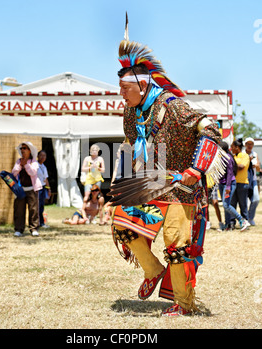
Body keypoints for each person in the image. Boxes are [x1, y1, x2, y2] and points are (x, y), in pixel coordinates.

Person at [110, 39, 226, 316]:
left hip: (180, 188)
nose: (122, 95)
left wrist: (196, 169)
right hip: (149, 183)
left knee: (177, 245)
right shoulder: (130, 112)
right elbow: (130, 144)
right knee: (122, 223)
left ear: (143, 85)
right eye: (120, 90)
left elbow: (211, 130)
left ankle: (184, 305)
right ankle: (153, 270)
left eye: (125, 89)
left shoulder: (173, 107)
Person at [12, 142, 42, 237]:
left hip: (32, 189)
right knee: (19, 210)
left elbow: (33, 173)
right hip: (20, 189)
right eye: (21, 148)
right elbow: (14, 173)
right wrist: (21, 165)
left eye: (24, 148)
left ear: (29, 150)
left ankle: (33, 228)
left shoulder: (34, 162)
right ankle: (19, 229)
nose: (22, 150)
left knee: (33, 209)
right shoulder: (18, 161)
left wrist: (26, 165)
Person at [218, 141, 249, 231]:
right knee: (226, 205)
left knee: (226, 205)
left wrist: (228, 187)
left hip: (229, 184)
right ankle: (228, 225)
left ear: (222, 150)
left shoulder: (228, 158)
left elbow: (229, 174)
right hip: (222, 184)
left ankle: (242, 220)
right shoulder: (221, 157)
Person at [230, 139, 251, 229]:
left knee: (243, 205)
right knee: (232, 204)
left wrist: (232, 165)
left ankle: (245, 222)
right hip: (233, 183)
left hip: (242, 184)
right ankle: (232, 223)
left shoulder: (245, 156)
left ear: (237, 147)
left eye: (232, 147)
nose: (231, 148)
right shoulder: (233, 156)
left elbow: (242, 166)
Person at [244, 137, 260, 225]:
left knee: (256, 199)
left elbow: (258, 168)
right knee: (245, 201)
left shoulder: (255, 154)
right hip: (244, 179)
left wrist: (256, 165)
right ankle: (246, 219)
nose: (249, 145)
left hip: (253, 179)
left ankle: (250, 218)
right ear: (245, 145)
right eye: (248, 144)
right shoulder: (242, 153)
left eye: (251, 144)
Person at [37, 150, 51, 228]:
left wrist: (48, 189)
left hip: (43, 188)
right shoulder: (35, 165)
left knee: (42, 205)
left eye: (44, 156)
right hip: (37, 188)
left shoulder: (44, 167)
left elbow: (46, 179)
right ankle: (37, 222)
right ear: (38, 156)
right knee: (37, 206)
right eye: (41, 155)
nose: (43, 157)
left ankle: (41, 222)